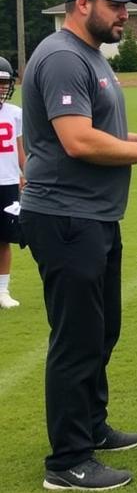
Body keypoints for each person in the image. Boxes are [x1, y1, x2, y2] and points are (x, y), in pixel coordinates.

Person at [20, 0, 137, 491]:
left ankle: (91, 428)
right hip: (65, 216)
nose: (125, 15)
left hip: (92, 216)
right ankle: (67, 461)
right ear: (82, 4)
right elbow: (77, 142)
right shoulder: (65, 56)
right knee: (76, 339)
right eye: (116, 5)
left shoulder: (88, 56)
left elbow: (94, 130)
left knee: (101, 331)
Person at [0, 56, 25, 309]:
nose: (0, 87)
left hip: (7, 182)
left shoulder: (15, 113)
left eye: (3, 82)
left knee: (4, 239)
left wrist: (25, 175)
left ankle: (2, 290)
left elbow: (20, 151)